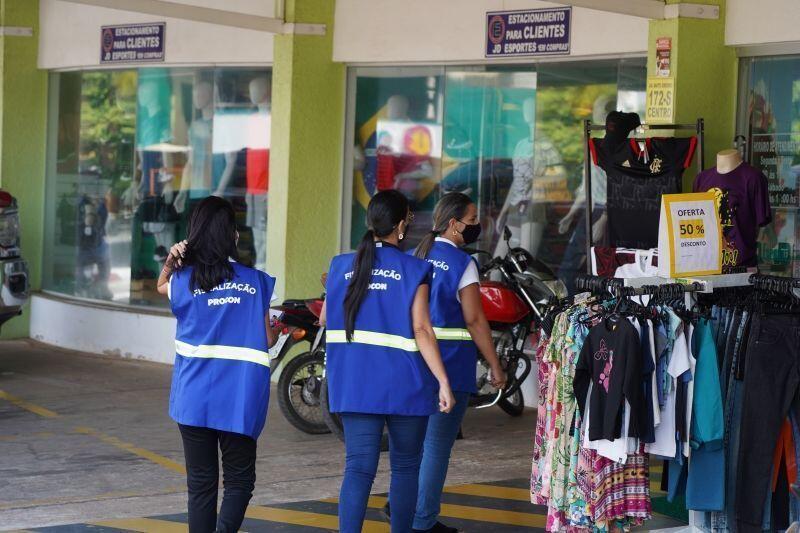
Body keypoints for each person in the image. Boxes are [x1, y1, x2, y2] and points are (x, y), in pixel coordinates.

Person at [320, 190, 456, 533]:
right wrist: (442, 380)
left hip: (354, 383)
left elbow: (324, 318)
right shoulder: (414, 269)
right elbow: (422, 329)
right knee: (406, 466)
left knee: (358, 468)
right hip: (404, 384)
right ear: (400, 226)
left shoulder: (340, 266)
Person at [156, 196, 278, 533]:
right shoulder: (255, 283)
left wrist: (172, 260)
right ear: (230, 235)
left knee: (201, 485)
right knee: (239, 481)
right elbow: (267, 339)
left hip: (194, 397)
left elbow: (161, 285)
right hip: (238, 398)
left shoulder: (183, 281)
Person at [409, 192, 508, 533]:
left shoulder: (414, 256)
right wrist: (495, 365)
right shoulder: (462, 263)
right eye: (472, 220)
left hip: (413, 365)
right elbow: (475, 320)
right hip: (450, 365)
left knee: (414, 444)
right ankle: (421, 521)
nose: (477, 225)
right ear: (453, 224)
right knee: (436, 447)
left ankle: (405, 505)